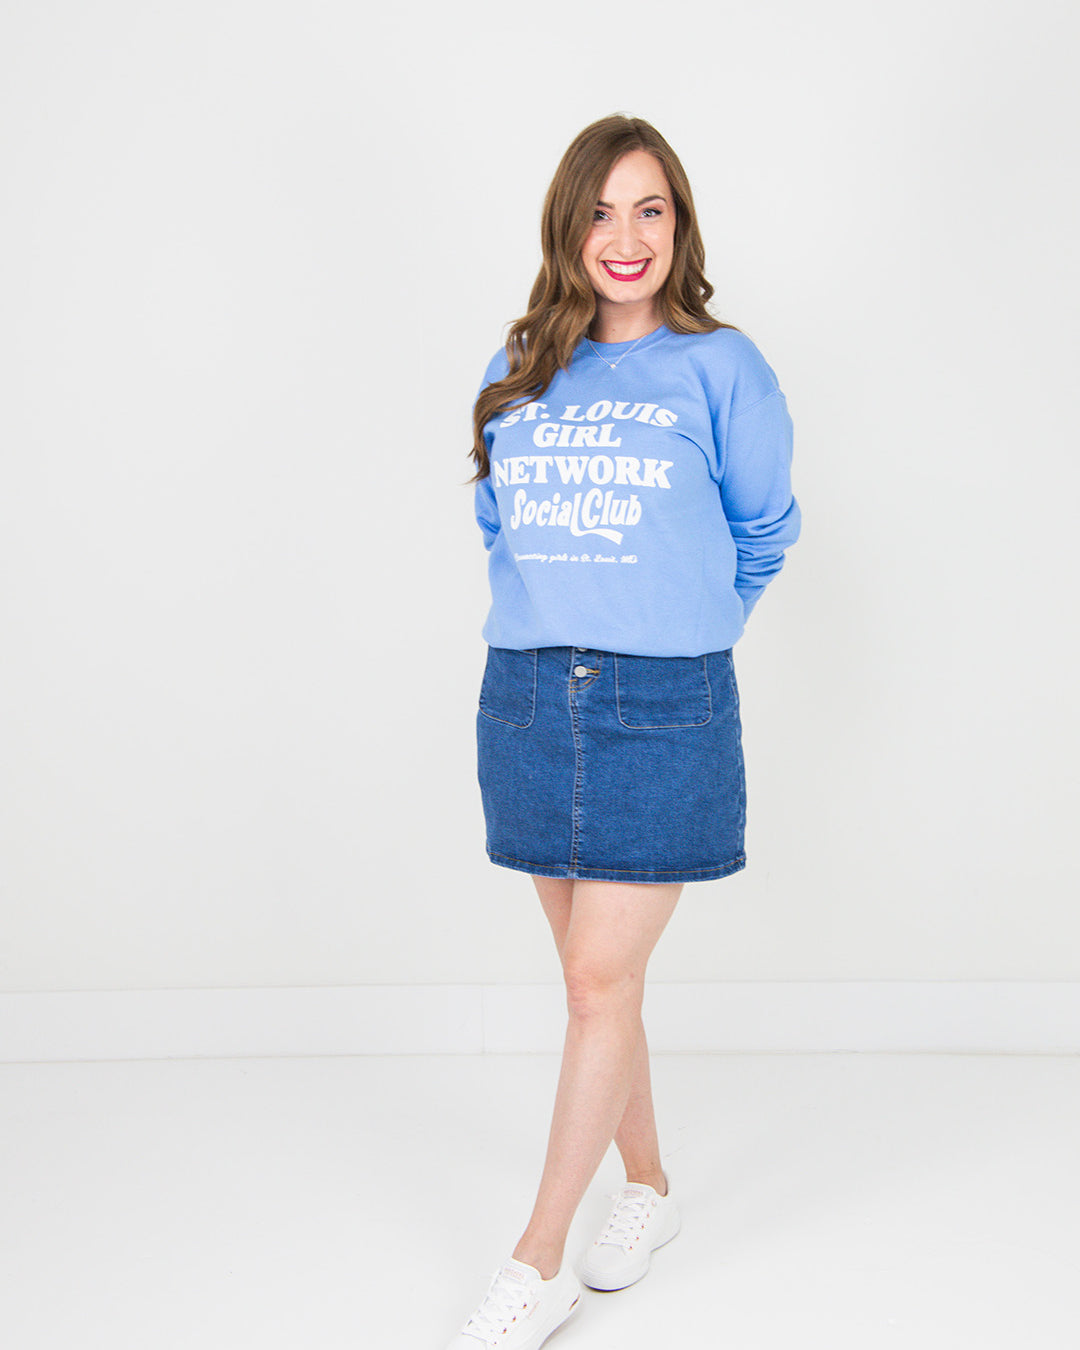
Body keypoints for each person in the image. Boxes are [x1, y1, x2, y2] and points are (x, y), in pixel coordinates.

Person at [447, 114, 801, 1350]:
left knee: (600, 982)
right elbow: (498, 523)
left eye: (650, 208)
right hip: (529, 697)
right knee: (596, 983)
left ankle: (537, 1259)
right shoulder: (521, 361)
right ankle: (646, 1187)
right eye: (601, 211)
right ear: (569, 227)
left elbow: (765, 529)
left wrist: (690, 626)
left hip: (662, 706)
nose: (626, 235)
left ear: (679, 223)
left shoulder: (722, 366)